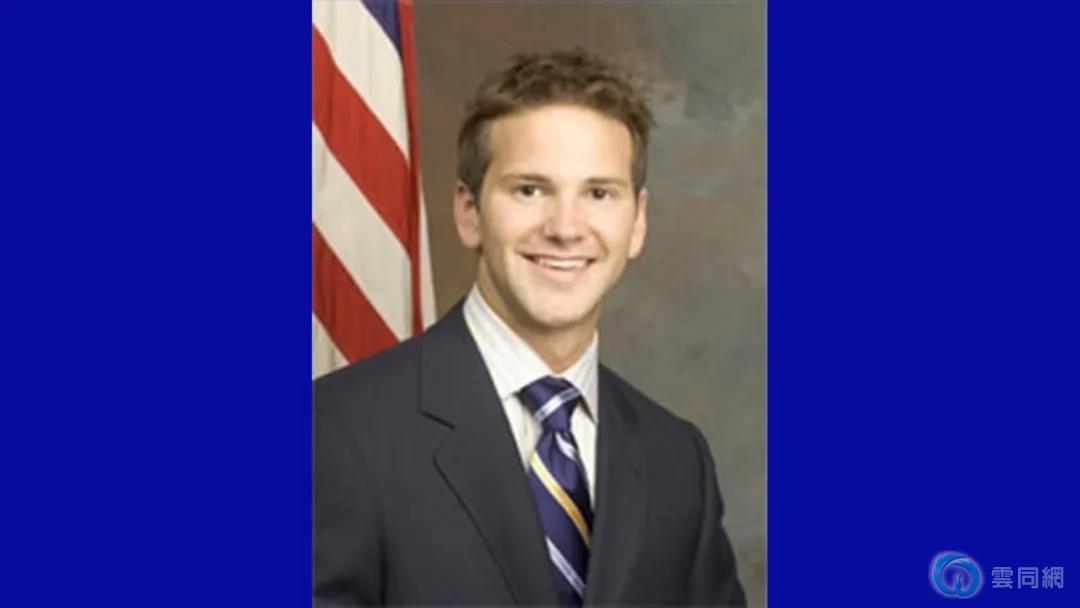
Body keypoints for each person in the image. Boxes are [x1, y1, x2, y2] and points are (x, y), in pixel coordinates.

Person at [314, 48, 746, 607]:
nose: (565, 228)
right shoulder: (334, 433)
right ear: (469, 212)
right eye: (529, 190)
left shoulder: (677, 459)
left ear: (637, 222)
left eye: (599, 193)